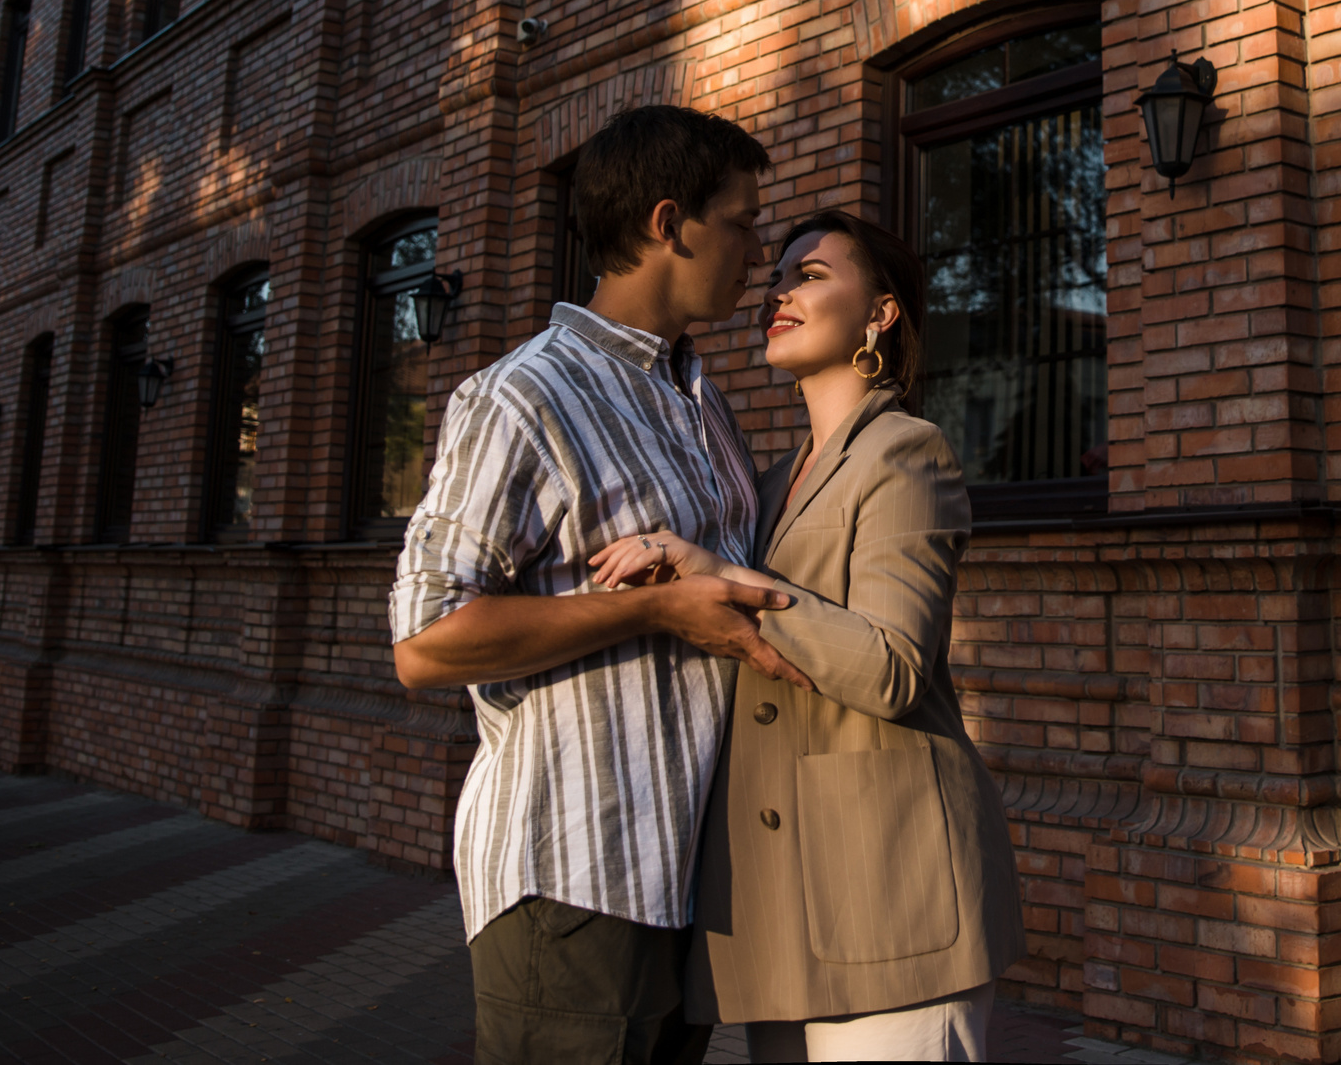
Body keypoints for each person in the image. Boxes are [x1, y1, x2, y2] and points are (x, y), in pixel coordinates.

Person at [389, 104, 810, 1065]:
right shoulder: (525, 394)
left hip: (689, 874)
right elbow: (424, 643)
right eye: (742, 221)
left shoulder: (698, 399)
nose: (758, 250)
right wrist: (657, 604)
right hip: (577, 875)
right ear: (671, 223)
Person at [589, 210, 1024, 1063]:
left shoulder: (907, 452)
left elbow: (895, 668)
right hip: (781, 910)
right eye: (778, 274)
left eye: (812, 273)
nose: (778, 291)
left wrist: (721, 576)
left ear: (880, 314)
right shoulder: (771, 480)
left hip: (890, 895)